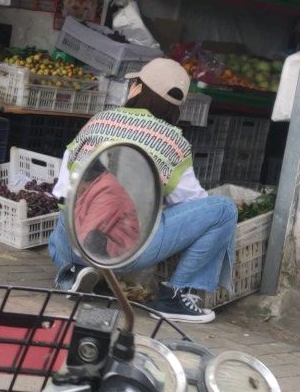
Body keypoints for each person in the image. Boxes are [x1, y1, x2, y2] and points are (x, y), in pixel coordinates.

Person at [47, 57, 238, 323]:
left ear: (137, 88)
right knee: (223, 210)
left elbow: (63, 187)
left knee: (74, 204)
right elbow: (190, 200)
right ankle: (174, 296)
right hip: (125, 253)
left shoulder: (100, 120)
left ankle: (72, 270)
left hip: (73, 241)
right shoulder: (173, 141)